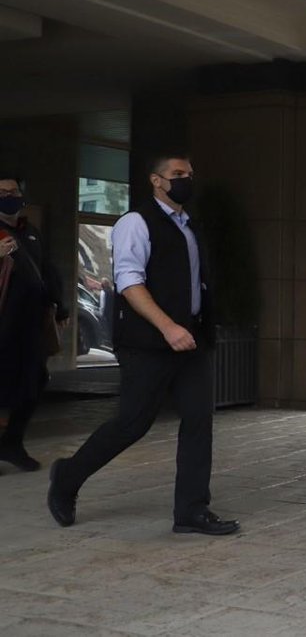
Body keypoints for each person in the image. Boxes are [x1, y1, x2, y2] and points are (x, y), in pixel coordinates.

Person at [47, 152, 239, 536]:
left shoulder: (190, 226)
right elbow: (130, 283)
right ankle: (68, 476)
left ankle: (191, 511)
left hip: (192, 340)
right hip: (149, 342)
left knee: (199, 420)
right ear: (156, 180)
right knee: (132, 424)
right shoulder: (135, 223)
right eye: (178, 173)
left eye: (190, 173)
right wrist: (168, 327)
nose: (186, 179)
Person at [0, 174, 68, 472]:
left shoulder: (31, 232)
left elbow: (48, 270)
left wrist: (60, 308)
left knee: (33, 382)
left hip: (31, 324)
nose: (9, 196)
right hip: (4, 322)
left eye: (13, 191)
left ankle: (12, 444)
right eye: (2, 192)